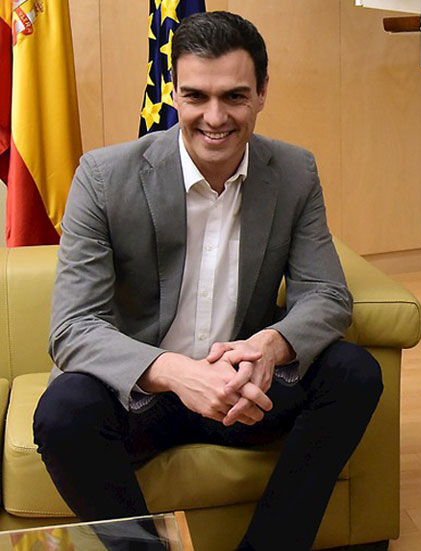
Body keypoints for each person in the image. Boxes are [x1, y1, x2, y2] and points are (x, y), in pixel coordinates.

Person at [33, 12, 382, 551]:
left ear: (262, 92)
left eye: (235, 97)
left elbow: (328, 295)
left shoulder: (294, 172)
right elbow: (73, 327)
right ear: (174, 92)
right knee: (63, 412)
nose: (214, 117)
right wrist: (177, 373)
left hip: (244, 393)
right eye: (196, 96)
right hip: (141, 397)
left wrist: (270, 346)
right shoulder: (103, 177)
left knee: (354, 373)